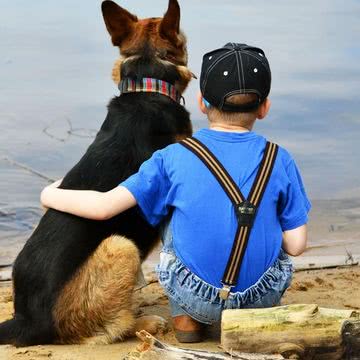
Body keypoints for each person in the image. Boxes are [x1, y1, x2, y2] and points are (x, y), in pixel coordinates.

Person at [41, 43, 311, 343]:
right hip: (259, 300)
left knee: (166, 204)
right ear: (264, 108)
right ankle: (246, 312)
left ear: (201, 102)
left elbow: (104, 207)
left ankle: (187, 323)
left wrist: (49, 194)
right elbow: (297, 245)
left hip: (194, 295)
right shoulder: (280, 159)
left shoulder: (171, 157)